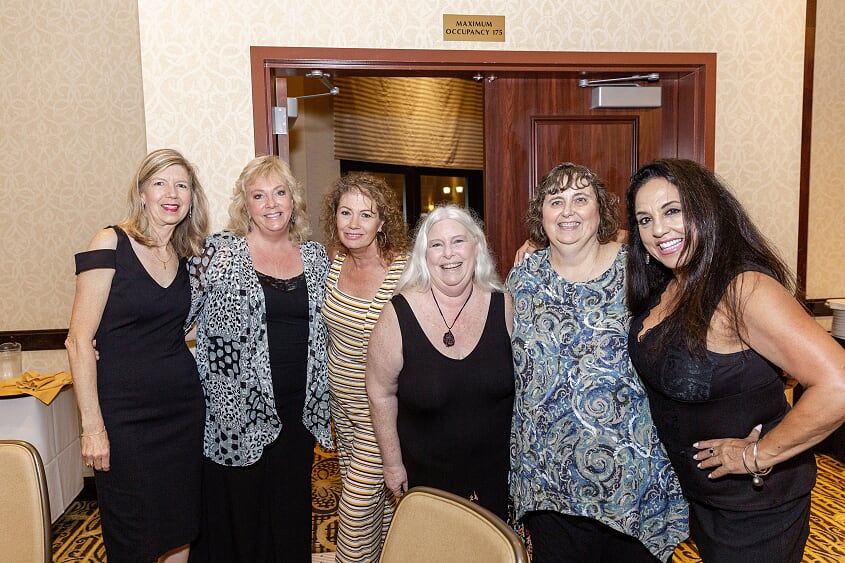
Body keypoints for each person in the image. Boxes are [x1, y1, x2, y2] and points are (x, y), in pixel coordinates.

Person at [625, 158, 845, 562]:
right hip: (703, 500)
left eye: (673, 211)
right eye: (645, 219)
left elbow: (838, 386)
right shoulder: (671, 283)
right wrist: (546, 240)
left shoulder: (742, 288)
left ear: (707, 210)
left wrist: (756, 456)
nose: (658, 229)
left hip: (756, 509)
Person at [507, 163, 689, 563]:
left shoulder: (639, 269)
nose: (568, 211)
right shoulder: (522, 279)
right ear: (541, 214)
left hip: (631, 480)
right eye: (556, 201)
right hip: (547, 481)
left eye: (580, 199)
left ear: (601, 210)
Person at [65, 148, 210, 563]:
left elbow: (179, 327)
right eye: (160, 183)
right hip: (124, 419)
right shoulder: (110, 242)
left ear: (192, 198)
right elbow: (78, 340)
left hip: (182, 413)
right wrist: (92, 427)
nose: (172, 193)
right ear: (142, 193)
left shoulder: (186, 256)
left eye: (182, 185)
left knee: (180, 527)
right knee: (132, 536)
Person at [186, 155, 332, 563]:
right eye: (259, 195)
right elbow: (177, 316)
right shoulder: (217, 252)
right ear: (244, 205)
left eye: (280, 192)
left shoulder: (316, 257)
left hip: (299, 409)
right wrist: (123, 341)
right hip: (235, 409)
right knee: (241, 511)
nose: (271, 204)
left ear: (293, 200)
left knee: (289, 507)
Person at [367, 204, 515, 521]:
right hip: (427, 479)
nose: (448, 253)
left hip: (496, 476)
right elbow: (380, 392)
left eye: (458, 241)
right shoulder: (398, 314)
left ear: (477, 247)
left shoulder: (503, 305)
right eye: (436, 244)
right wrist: (392, 464)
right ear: (424, 256)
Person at [321, 172, 408, 563]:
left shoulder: (404, 271)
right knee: (381, 506)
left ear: (382, 222)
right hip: (341, 408)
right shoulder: (334, 262)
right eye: (346, 212)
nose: (353, 224)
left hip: (381, 411)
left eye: (366, 214)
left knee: (354, 511)